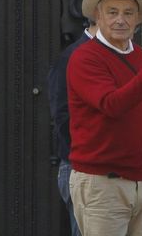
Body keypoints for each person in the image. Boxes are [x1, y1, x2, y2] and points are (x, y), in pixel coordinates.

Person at [66, 0, 142, 235]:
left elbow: (140, 113)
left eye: (128, 13)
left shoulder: (137, 55)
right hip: (103, 183)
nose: (121, 20)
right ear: (98, 16)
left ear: (138, 19)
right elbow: (112, 104)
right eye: (113, 12)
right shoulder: (85, 58)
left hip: (139, 181)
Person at [48, 21, 97, 236]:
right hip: (82, 168)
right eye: (114, 13)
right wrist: (84, 157)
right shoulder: (72, 57)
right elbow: (61, 114)